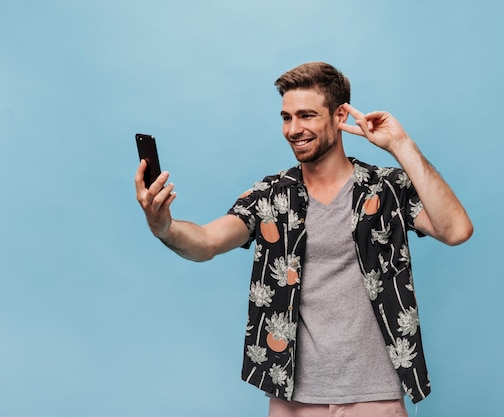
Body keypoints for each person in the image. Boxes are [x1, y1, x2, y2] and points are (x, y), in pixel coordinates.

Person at [135, 62, 473, 417]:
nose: (293, 129)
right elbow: (206, 242)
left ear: (340, 115)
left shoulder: (387, 188)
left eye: (306, 116)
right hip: (293, 398)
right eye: (286, 117)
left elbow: (456, 231)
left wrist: (401, 145)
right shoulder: (270, 195)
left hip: (376, 396)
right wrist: (164, 226)